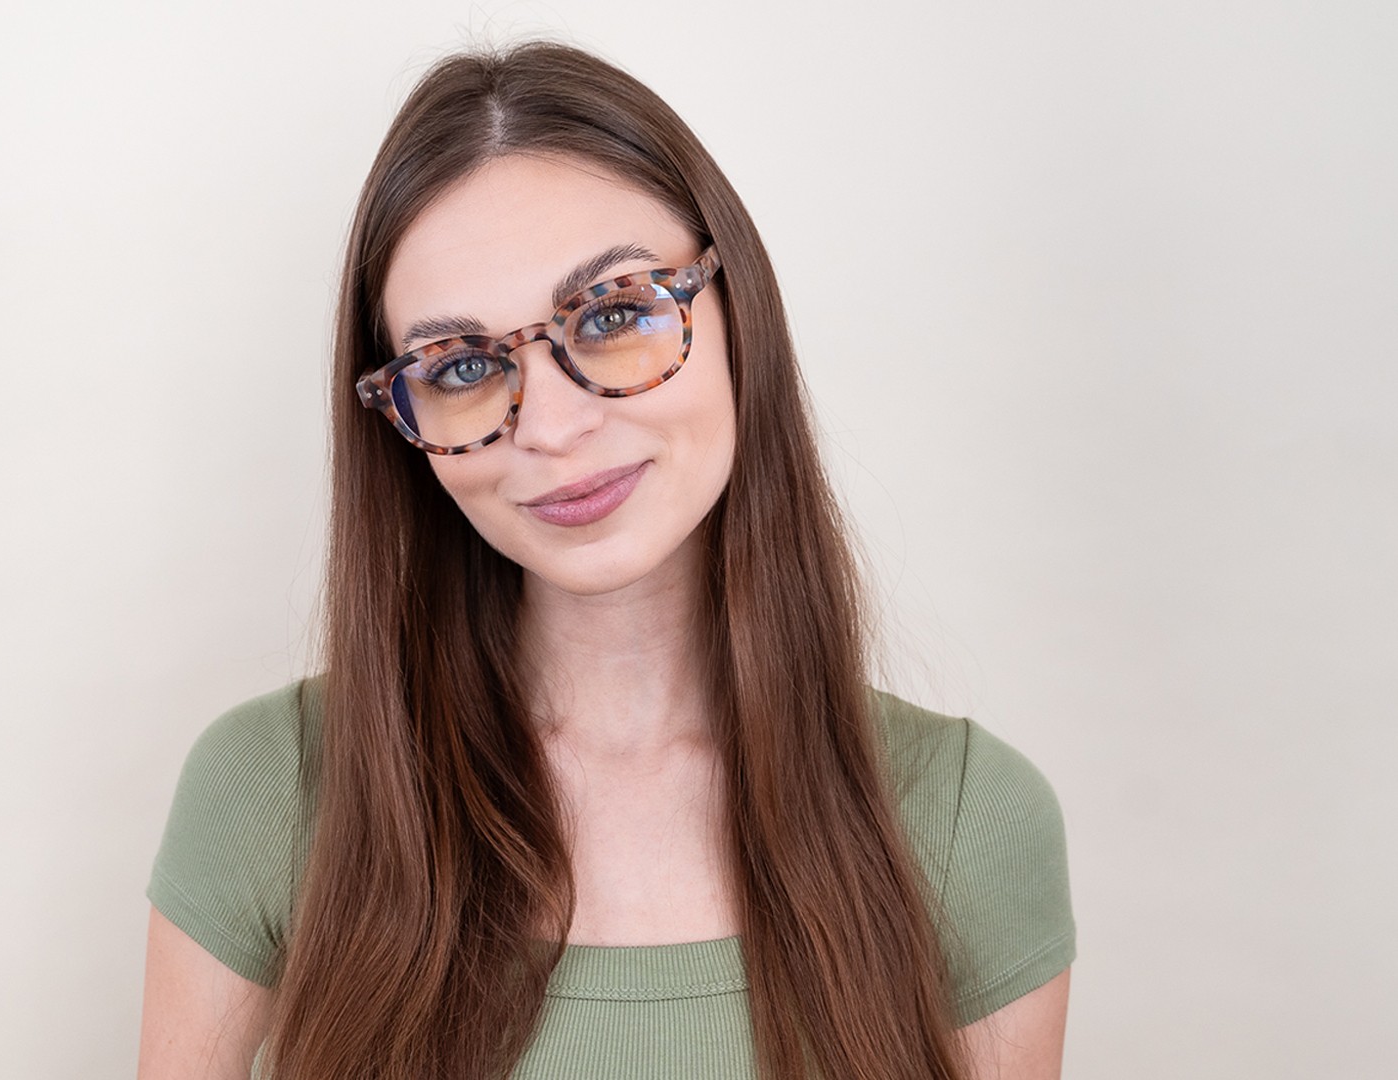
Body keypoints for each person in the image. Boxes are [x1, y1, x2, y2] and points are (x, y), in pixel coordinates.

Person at [138, 40, 1076, 1080]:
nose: (551, 428)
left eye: (616, 314)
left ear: (737, 310)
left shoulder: (969, 822)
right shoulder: (269, 791)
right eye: (461, 368)